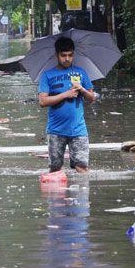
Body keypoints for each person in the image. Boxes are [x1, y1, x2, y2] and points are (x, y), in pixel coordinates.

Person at [38, 37, 96, 173]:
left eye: (70, 55)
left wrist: (82, 89)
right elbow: (43, 101)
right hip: (55, 130)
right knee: (55, 168)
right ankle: (58, 194)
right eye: (63, 55)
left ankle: (82, 192)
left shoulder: (81, 73)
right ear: (57, 55)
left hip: (78, 129)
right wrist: (66, 94)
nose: (67, 59)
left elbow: (92, 98)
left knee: (82, 167)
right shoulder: (47, 75)